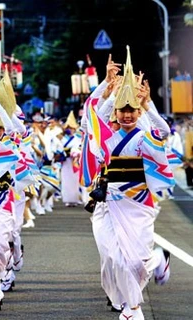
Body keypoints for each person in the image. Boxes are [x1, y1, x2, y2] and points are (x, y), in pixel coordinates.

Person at [88, 47, 173, 320]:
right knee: (114, 258)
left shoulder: (145, 134)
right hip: (110, 203)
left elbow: (163, 132)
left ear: (137, 112)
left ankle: (157, 261)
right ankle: (132, 308)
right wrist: (108, 87)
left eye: (131, 110)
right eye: (121, 110)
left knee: (135, 261)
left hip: (139, 202)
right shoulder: (107, 138)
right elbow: (95, 115)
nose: (126, 115)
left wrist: (147, 104)